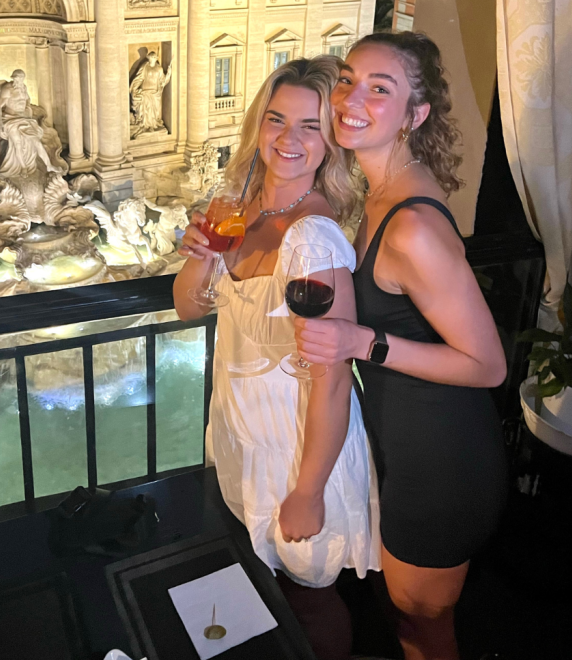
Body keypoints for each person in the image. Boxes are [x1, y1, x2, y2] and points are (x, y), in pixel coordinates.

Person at [294, 32, 508, 660]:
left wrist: (363, 341)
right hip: (407, 442)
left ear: (415, 116)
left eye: (379, 89)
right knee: (407, 616)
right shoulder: (378, 193)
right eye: (348, 79)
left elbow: (488, 364)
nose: (350, 97)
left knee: (421, 625)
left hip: (443, 462)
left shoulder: (410, 224)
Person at [173, 57, 380, 660]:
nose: (289, 139)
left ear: (330, 144)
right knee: (267, 588)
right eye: (276, 119)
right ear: (257, 126)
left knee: (310, 596)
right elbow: (189, 308)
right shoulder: (241, 209)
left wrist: (309, 490)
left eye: (310, 126)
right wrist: (199, 254)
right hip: (245, 431)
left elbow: (334, 380)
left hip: (297, 448)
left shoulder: (312, 238)